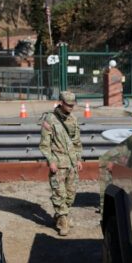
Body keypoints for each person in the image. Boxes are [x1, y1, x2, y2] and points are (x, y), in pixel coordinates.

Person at [39, 91, 83, 236]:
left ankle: (60, 215)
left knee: (71, 194)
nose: (71, 107)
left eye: (73, 105)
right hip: (58, 163)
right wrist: (50, 161)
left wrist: (78, 159)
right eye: (68, 105)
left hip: (71, 163)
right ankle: (63, 220)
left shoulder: (73, 119)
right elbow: (44, 145)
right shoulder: (50, 119)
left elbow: (77, 142)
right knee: (59, 193)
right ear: (61, 103)